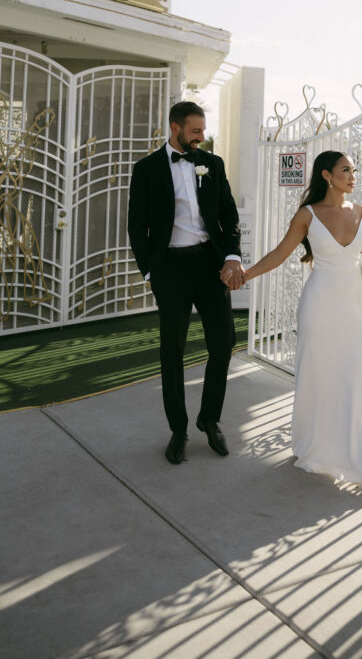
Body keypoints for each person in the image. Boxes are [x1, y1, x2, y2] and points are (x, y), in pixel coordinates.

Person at [243, 150, 362, 489]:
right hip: (320, 306)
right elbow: (280, 252)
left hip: (354, 307)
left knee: (352, 377)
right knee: (317, 376)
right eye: (346, 170)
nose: (353, 175)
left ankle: (358, 455)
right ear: (327, 176)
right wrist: (246, 274)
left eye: (354, 170)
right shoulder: (308, 215)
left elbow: (360, 257)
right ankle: (315, 448)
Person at [127, 101, 246, 465]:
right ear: (175, 127)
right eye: (195, 130)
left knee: (223, 344)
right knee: (172, 352)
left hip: (210, 265)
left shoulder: (212, 164)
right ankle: (178, 430)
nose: (201, 136)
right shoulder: (146, 169)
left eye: (203, 130)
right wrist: (151, 271)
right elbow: (137, 224)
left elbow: (227, 213)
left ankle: (209, 420)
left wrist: (232, 255)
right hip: (171, 270)